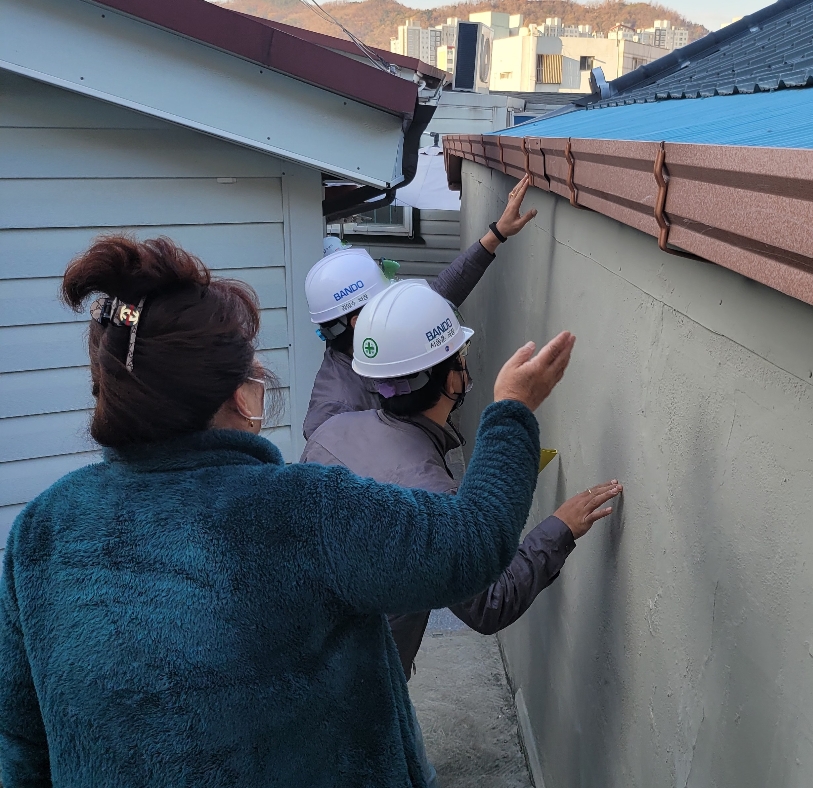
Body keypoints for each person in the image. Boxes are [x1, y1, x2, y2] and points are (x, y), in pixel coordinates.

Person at [0, 235, 576, 788]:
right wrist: (512, 412)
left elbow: (19, 741)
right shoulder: (300, 510)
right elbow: (470, 547)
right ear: (239, 395)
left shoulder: (40, 532)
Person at [301, 281, 622, 788]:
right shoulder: (427, 491)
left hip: (312, 669)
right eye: (461, 356)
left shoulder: (331, 431)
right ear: (448, 377)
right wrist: (559, 527)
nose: (466, 366)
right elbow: (488, 602)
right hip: (358, 698)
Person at [302, 174, 538, 440]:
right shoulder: (334, 408)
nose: (392, 305)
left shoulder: (379, 342)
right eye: (383, 300)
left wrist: (498, 233)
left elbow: (439, 295)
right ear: (357, 321)